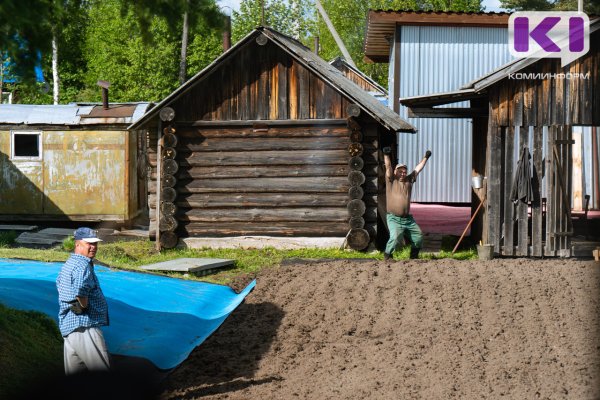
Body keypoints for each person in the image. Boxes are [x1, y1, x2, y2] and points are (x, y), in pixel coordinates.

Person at [56, 227, 110, 375]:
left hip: (69, 327)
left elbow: (60, 286)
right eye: (89, 244)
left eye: (95, 244)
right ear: (78, 244)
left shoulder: (69, 264)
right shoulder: (82, 266)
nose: (93, 247)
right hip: (85, 326)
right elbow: (80, 291)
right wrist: (82, 306)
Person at [382, 147, 432, 260]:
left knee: (418, 236)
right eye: (400, 171)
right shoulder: (391, 180)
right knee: (395, 238)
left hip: (408, 219)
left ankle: (413, 257)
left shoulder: (409, 180)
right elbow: (388, 167)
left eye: (404, 171)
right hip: (393, 218)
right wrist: (386, 155)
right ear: (396, 172)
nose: (403, 173)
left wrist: (426, 157)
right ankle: (388, 255)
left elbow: (418, 168)